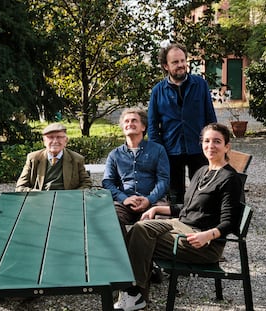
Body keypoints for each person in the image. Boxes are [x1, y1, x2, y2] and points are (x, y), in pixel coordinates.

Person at [114, 123, 243, 311]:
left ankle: (132, 293)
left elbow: (230, 221)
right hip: (181, 226)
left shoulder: (230, 179)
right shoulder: (202, 171)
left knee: (140, 237)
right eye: (207, 141)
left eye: (217, 141)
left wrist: (208, 235)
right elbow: (188, 208)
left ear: (227, 146)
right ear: (201, 144)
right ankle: (134, 293)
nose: (211, 146)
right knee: (138, 229)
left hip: (202, 243)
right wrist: (157, 210)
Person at [148, 42, 217, 204]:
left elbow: (210, 118)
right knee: (175, 196)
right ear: (166, 66)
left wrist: (212, 144)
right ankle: (177, 226)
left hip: (198, 148)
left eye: (182, 61)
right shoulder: (158, 91)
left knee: (202, 193)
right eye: (175, 62)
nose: (181, 65)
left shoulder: (200, 84)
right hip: (171, 151)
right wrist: (159, 151)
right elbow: (152, 126)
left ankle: (200, 225)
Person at [102, 108, 170, 238]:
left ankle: (143, 256)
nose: (129, 124)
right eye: (126, 121)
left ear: (143, 127)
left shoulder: (158, 150)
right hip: (125, 202)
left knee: (154, 224)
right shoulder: (114, 154)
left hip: (153, 201)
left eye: (134, 120)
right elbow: (107, 182)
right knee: (109, 218)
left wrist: (149, 199)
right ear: (123, 128)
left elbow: (163, 180)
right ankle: (124, 254)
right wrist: (124, 198)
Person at [15, 122, 92, 191]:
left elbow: (87, 184)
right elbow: (20, 187)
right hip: (40, 201)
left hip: (67, 201)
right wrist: (35, 194)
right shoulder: (33, 158)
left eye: (59, 137)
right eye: (50, 137)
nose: (55, 141)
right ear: (44, 141)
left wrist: (72, 196)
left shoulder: (76, 159)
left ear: (66, 140)